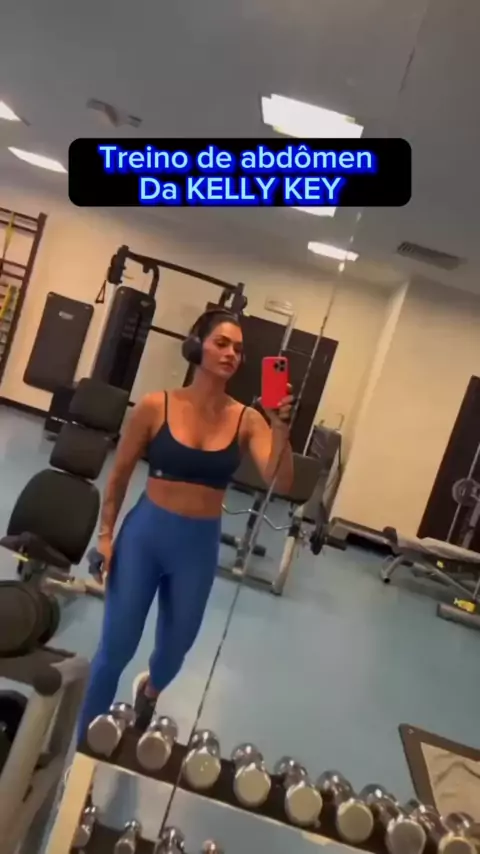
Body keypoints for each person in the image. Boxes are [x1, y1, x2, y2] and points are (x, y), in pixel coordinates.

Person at [77, 308, 294, 740]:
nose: (231, 354)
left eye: (238, 349)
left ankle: (151, 690)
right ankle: (84, 745)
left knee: (174, 651)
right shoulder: (156, 406)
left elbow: (280, 481)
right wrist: (105, 536)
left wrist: (280, 426)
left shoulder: (247, 419)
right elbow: (118, 476)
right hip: (145, 536)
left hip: (196, 546)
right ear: (197, 346)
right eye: (221, 343)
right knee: (115, 647)